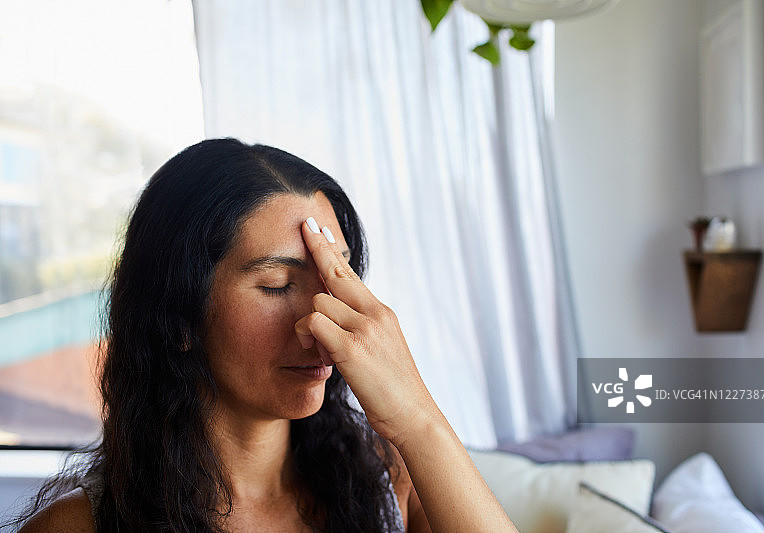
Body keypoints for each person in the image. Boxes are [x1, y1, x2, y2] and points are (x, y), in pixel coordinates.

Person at [12, 139, 516, 532]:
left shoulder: (391, 483)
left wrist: (417, 418)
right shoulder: (80, 527)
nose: (324, 322)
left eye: (337, 277)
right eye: (278, 285)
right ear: (178, 313)